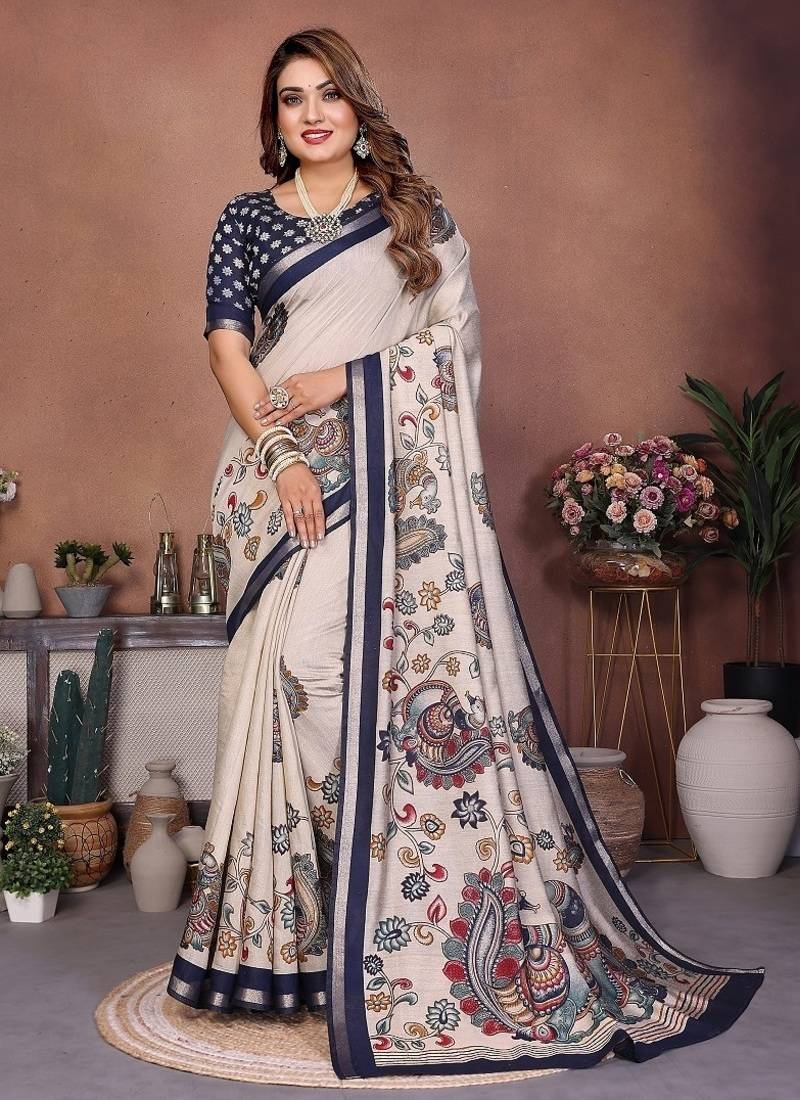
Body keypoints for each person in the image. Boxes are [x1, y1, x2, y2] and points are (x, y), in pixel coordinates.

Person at [167, 25, 763, 1081]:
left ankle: (395, 894)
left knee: (351, 673)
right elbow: (226, 347)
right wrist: (283, 454)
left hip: (392, 477)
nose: (311, 113)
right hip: (277, 477)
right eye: (291, 99)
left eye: (327, 94)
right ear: (274, 120)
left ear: (357, 106)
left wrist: (345, 379)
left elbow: (451, 345)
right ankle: (333, 916)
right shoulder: (247, 219)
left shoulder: (414, 216)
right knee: (289, 678)